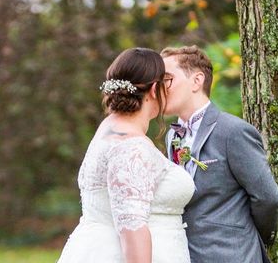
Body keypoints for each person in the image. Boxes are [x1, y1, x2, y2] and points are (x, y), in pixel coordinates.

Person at [58, 47, 195, 263]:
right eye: (166, 82)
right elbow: (132, 227)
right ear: (154, 89)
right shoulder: (130, 145)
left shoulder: (110, 127)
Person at [162, 45, 278, 263]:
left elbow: (267, 197)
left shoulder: (233, 132)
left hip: (233, 254)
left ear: (197, 81)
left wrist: (251, 237)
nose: (161, 88)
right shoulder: (172, 136)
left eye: (168, 79)